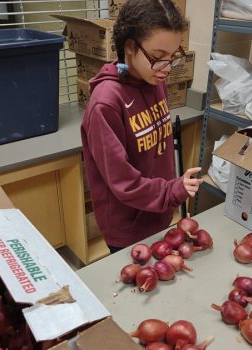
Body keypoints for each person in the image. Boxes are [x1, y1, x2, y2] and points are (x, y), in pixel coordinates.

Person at [81, 0, 203, 253]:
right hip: (127, 228)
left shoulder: (154, 79)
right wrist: (171, 191)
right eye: (158, 58)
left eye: (173, 57)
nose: (167, 68)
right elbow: (122, 182)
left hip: (158, 214)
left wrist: (168, 196)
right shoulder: (105, 104)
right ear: (129, 47)